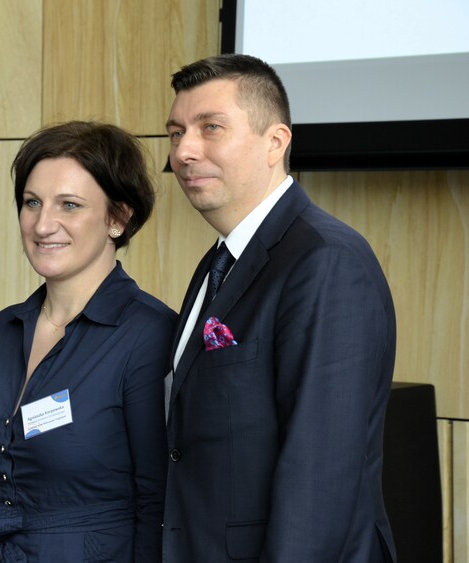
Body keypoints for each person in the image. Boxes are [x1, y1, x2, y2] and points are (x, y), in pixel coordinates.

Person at [162, 53, 397, 562]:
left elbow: (319, 477)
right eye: (176, 133)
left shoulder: (326, 260)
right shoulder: (220, 260)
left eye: (211, 128)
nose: (184, 151)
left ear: (276, 142)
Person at [0, 121, 176, 562]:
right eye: (32, 202)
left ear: (118, 219)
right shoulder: (1, 330)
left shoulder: (150, 334)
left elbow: (156, 503)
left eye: (69, 205)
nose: (43, 224)